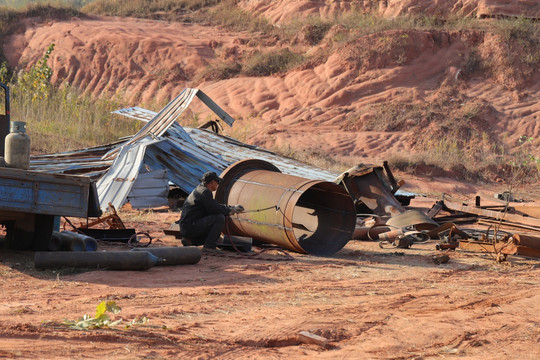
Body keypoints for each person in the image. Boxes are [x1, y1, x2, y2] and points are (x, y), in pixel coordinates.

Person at [177, 171, 244, 253]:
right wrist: (230, 210)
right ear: (212, 182)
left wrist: (230, 208)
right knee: (219, 218)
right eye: (217, 182)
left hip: (187, 228)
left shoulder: (199, 189)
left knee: (217, 236)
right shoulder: (205, 192)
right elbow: (215, 209)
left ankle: (190, 241)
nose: (218, 184)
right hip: (191, 227)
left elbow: (213, 206)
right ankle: (209, 247)